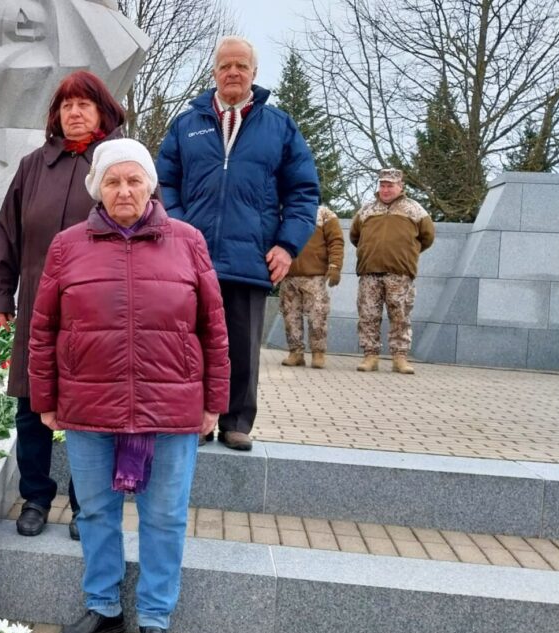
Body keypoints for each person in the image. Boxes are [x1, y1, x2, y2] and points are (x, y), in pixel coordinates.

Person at [29, 138, 229, 633]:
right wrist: (45, 397)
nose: (124, 190)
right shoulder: (68, 245)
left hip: (171, 410)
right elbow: (43, 327)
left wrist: (215, 402)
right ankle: (104, 607)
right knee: (96, 513)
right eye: (113, 181)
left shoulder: (188, 241)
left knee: (164, 518)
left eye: (133, 180)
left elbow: (214, 329)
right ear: (97, 187)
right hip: (91, 406)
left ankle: (156, 617)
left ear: (150, 186)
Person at [156, 35, 319, 451]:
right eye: (225, 65)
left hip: (250, 258)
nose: (233, 72)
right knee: (189, 343)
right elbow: (163, 184)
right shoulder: (186, 124)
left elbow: (302, 192)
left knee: (242, 346)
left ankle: (236, 421)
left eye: (241, 66)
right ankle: (194, 418)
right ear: (214, 72)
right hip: (191, 259)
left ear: (254, 74)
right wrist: (178, 229)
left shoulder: (279, 126)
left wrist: (287, 246)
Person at [0, 70, 125, 540]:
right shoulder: (32, 167)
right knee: (32, 404)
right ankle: (36, 497)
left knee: (90, 407)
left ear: (102, 111)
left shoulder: (119, 166)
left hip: (100, 313)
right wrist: (0, 294)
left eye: (84, 104)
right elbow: (7, 231)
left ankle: (87, 503)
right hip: (38, 309)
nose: (74, 112)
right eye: (66, 105)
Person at [350, 169, 435, 374]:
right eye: (383, 185)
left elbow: (427, 237)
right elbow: (355, 236)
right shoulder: (366, 209)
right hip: (369, 272)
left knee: (400, 316)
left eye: (390, 185)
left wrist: (407, 253)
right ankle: (370, 356)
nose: (386, 189)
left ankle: (400, 358)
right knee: (368, 315)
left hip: (400, 274)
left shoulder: (414, 209)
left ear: (400, 186)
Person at [279, 205, 344, 368]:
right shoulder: (284, 211)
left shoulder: (325, 213)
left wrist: (335, 266)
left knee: (318, 315)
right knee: (290, 316)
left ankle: (318, 353)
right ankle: (295, 353)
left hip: (314, 276)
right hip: (288, 274)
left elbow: (336, 241)